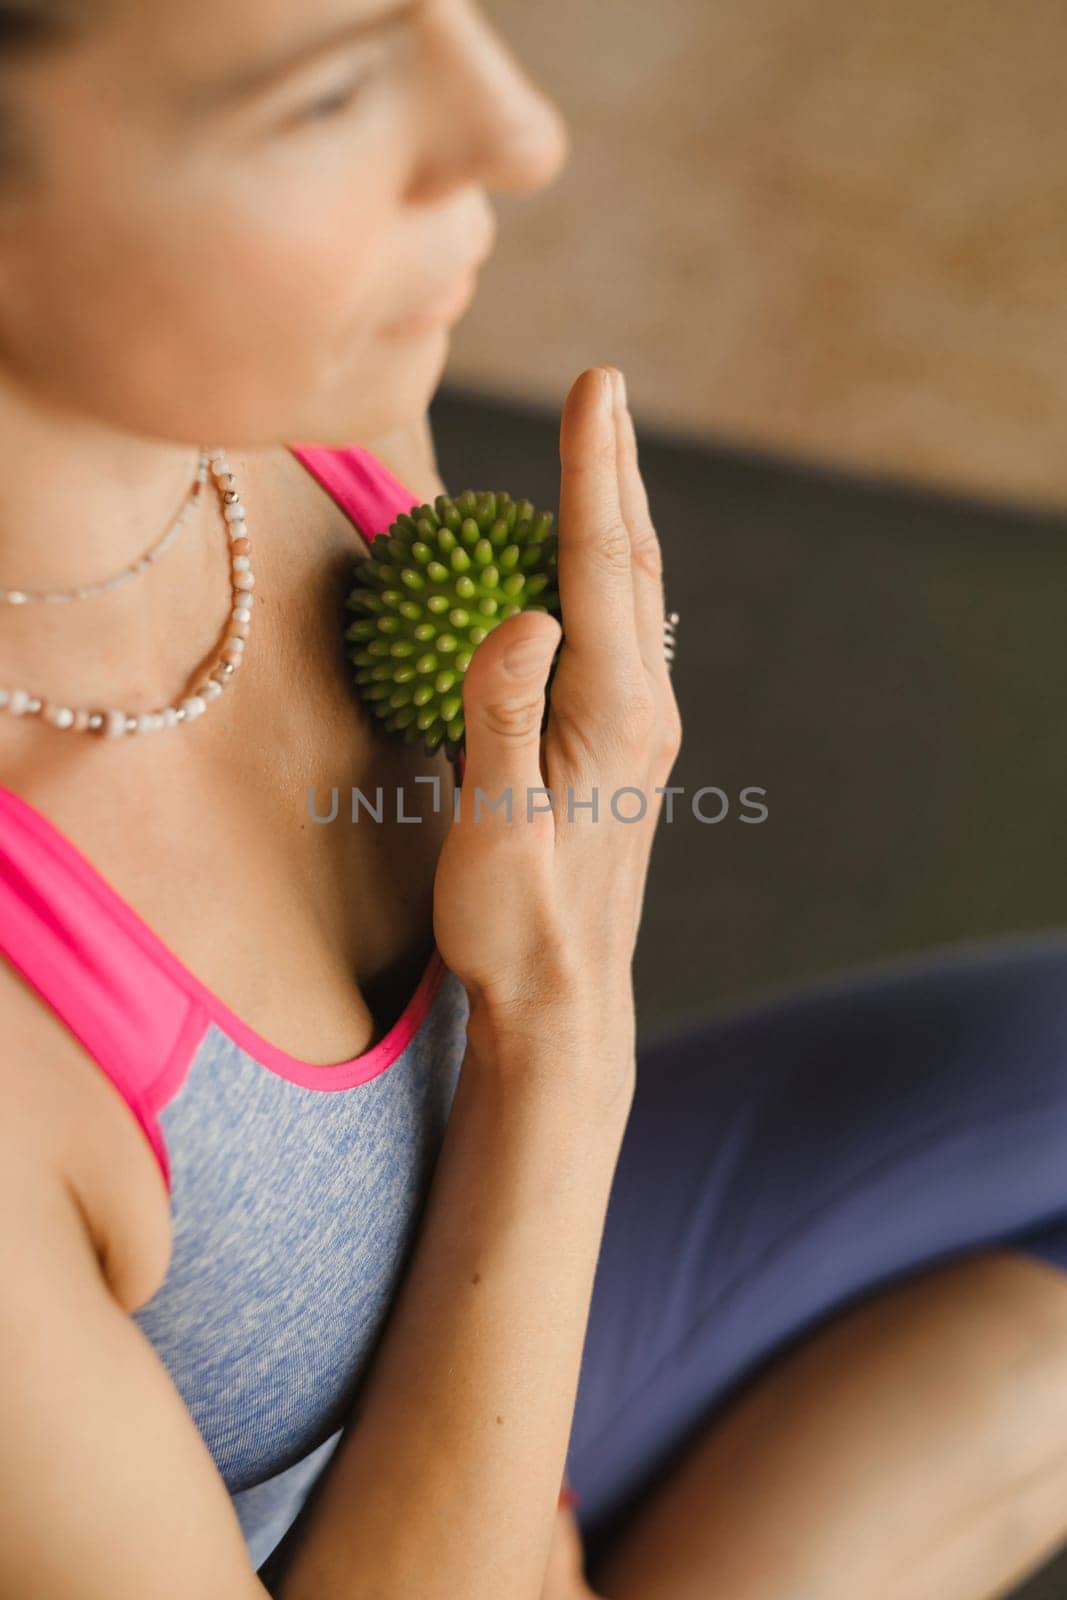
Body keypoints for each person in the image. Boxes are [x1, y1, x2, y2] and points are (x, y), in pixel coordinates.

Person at [2, 4, 1067, 1598]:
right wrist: (558, 1030)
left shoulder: (298, 400)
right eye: (331, 92)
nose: (520, 129)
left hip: (512, 1338)